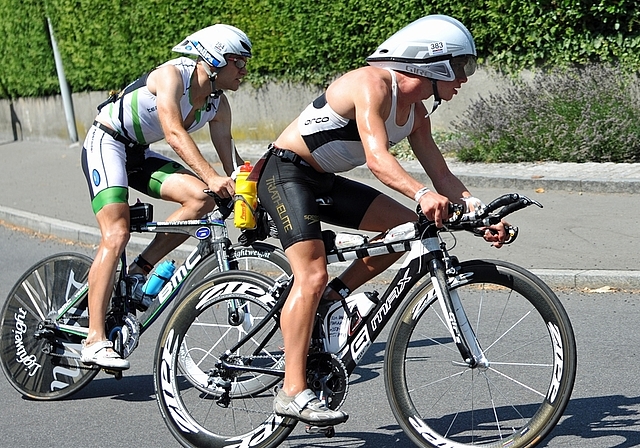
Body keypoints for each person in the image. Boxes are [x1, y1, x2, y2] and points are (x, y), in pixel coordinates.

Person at [256, 15, 508, 426]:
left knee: (408, 230)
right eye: (461, 67)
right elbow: (377, 159)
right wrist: (422, 194)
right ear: (432, 63)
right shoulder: (370, 83)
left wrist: (479, 214)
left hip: (322, 179)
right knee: (311, 274)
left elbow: (442, 175)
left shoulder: (416, 114)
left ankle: (334, 300)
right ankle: (291, 391)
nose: (464, 79)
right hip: (284, 173)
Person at [79, 24, 252, 370]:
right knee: (116, 234)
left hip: (138, 153)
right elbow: (173, 133)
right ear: (215, 59)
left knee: (202, 200)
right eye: (239, 62)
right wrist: (212, 176)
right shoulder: (172, 76)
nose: (244, 71)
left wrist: (246, 186)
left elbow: (229, 161)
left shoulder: (219, 104)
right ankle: (94, 339)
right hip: (107, 142)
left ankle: (140, 269)